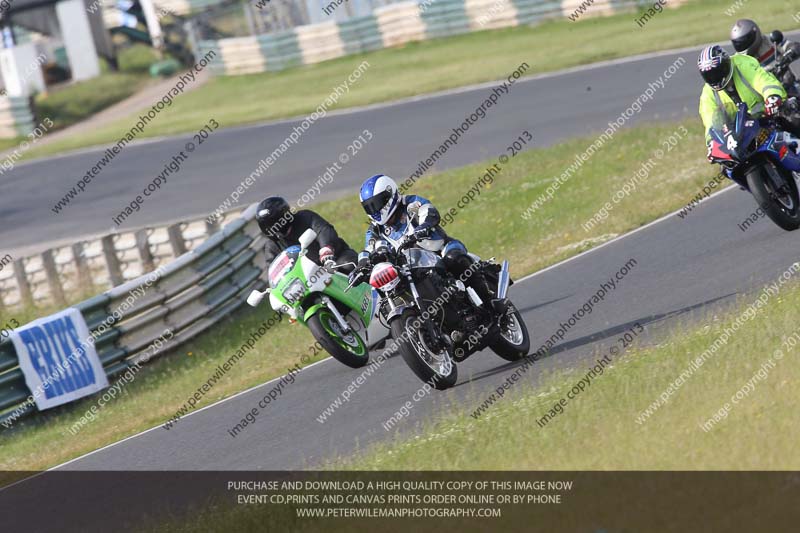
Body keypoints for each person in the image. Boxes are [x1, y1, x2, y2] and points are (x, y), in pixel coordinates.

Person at [353, 174, 502, 310]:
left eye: (377, 203)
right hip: (409, 267)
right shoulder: (375, 230)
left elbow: (429, 211)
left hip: (439, 249)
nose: (375, 210)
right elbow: (369, 248)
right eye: (369, 206)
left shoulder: (410, 203)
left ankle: (491, 301)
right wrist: (362, 264)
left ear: (389, 195)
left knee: (455, 260)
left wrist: (423, 228)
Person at [697, 45, 800, 158]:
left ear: (726, 64)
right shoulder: (707, 93)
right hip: (742, 133)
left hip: (768, 114)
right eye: (709, 76)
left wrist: (772, 96)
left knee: (793, 117)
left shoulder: (742, 64)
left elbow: (761, 79)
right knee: (726, 162)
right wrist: (711, 142)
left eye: (718, 72)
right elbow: (709, 120)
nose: (715, 77)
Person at [255, 196, 357, 274]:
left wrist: (326, 248)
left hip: (334, 259)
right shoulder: (272, 246)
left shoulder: (305, 217)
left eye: (273, 222)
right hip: (306, 281)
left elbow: (323, 230)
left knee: (348, 266)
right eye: (267, 225)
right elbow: (273, 269)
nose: (272, 227)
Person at [730, 19, 800, 91]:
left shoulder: (770, 42)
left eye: (744, 41)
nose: (742, 45)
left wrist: (787, 56)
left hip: (790, 86)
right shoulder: (739, 61)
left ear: (755, 34)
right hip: (767, 96)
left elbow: (794, 46)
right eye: (738, 43)